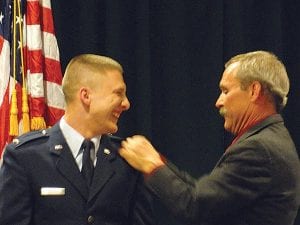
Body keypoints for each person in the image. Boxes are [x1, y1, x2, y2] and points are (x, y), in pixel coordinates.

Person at [119, 50, 300, 225]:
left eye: (226, 91)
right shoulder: (271, 139)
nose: (218, 101)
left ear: (254, 91)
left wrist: (151, 166)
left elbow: (195, 206)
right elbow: (200, 193)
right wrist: (156, 161)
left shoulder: (259, 149)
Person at [0, 54, 156, 225]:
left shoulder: (127, 159)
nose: (126, 103)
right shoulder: (25, 157)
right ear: (86, 96)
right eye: (119, 93)